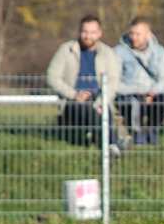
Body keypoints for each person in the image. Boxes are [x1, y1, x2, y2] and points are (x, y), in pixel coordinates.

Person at [46, 14, 121, 151]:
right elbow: (52, 77)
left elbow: (113, 82)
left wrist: (100, 102)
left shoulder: (108, 53)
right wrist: (74, 94)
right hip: (73, 102)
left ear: (99, 34)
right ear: (79, 32)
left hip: (99, 100)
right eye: (84, 32)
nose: (88, 36)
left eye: (92, 32)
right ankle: (111, 144)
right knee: (88, 108)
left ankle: (107, 143)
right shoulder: (66, 50)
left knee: (102, 109)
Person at [114, 16, 164, 146]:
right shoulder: (119, 51)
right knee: (128, 103)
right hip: (129, 94)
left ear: (148, 34)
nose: (134, 37)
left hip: (153, 94)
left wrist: (152, 92)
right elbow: (115, 83)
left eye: (138, 34)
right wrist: (138, 91)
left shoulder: (159, 51)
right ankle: (136, 133)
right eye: (132, 33)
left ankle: (152, 131)